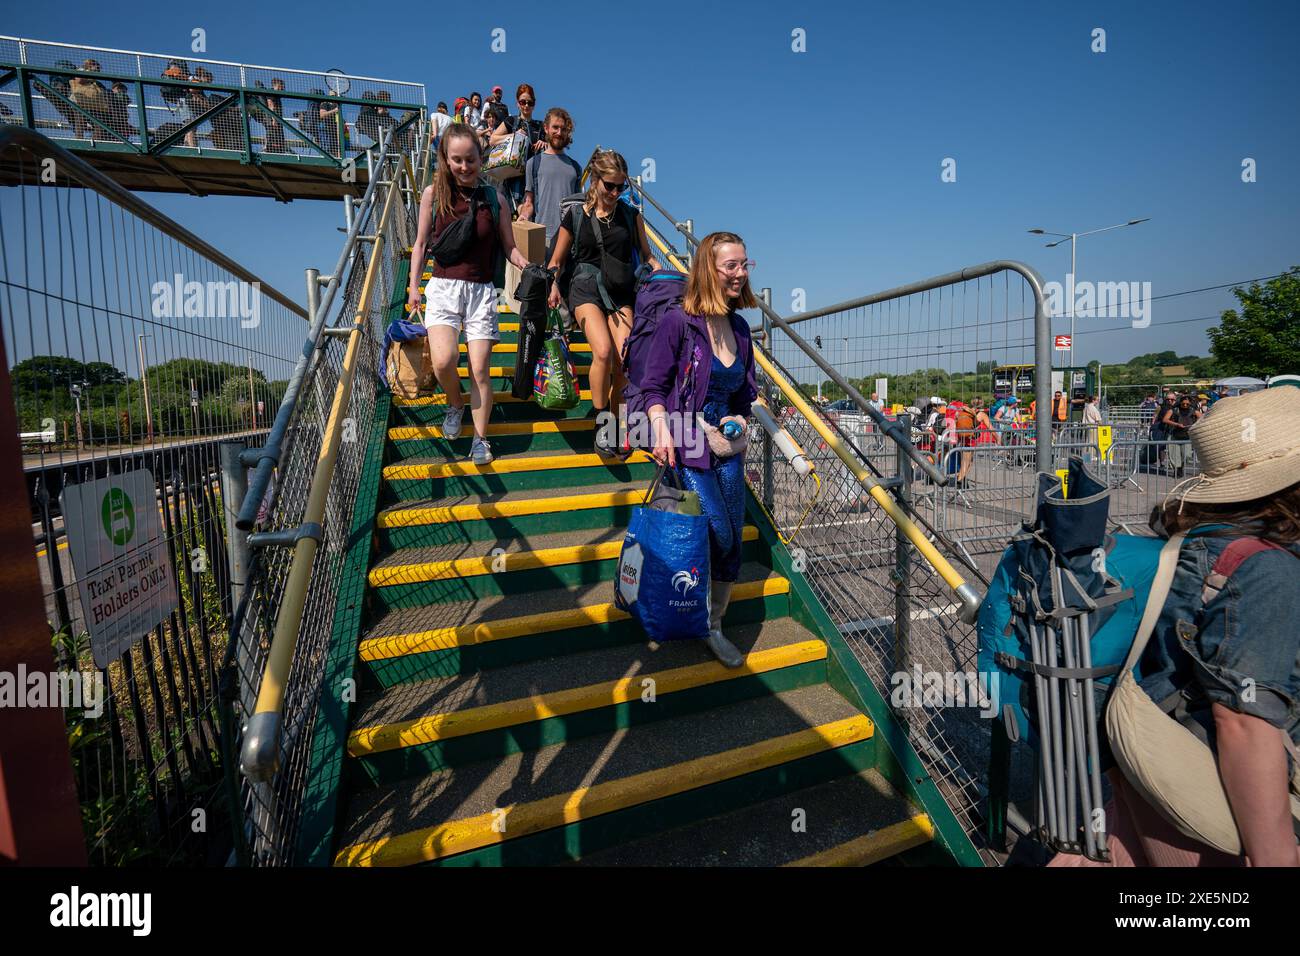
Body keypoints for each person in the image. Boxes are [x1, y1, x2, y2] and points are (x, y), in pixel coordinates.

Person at [1051, 388, 1300, 867]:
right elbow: (1245, 720)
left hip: (1154, 752)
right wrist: (1275, 855)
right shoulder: (1268, 568)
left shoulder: (1196, 540)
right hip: (1213, 786)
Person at [641, 232, 759, 668]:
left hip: (728, 446)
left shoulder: (741, 329)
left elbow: (745, 396)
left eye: (746, 264)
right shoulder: (679, 321)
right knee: (718, 532)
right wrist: (660, 429)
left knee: (732, 543)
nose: (740, 273)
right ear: (709, 269)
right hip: (687, 439)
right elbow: (652, 386)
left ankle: (712, 624)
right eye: (732, 265)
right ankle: (684, 605)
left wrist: (741, 418)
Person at [406, 124, 531, 466]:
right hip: (444, 288)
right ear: (446, 160)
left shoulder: (496, 198)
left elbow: (509, 248)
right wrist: (415, 286)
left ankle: (480, 438)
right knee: (445, 361)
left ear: (481, 157)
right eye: (457, 160)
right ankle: (456, 403)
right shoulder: (433, 194)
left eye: (471, 159)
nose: (464, 167)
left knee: (479, 370)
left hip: (480, 292)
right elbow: (419, 244)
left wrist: (529, 265)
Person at [546, 150, 661, 455]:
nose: (614, 193)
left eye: (621, 187)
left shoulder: (630, 215)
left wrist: (663, 276)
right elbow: (556, 260)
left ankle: (617, 425)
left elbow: (648, 255)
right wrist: (554, 284)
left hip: (621, 291)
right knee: (604, 350)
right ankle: (600, 424)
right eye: (609, 185)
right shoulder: (575, 216)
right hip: (584, 289)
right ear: (594, 180)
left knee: (626, 359)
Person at [519, 108, 582, 261]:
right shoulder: (533, 163)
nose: (559, 132)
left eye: (563, 129)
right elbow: (529, 201)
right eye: (555, 127)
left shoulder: (575, 168)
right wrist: (524, 216)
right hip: (542, 238)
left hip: (568, 240)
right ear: (546, 128)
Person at [491, 84, 546, 209]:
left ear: (534, 104)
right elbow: (493, 139)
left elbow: (552, 149)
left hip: (534, 176)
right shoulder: (511, 121)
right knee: (512, 213)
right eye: (523, 102)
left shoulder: (541, 126)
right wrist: (513, 136)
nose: (526, 105)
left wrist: (545, 144)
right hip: (513, 176)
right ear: (517, 103)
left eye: (529, 103)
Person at [1161, 394, 1200, 476]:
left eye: (1187, 404)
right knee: (1174, 454)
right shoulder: (1173, 410)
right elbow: (1165, 419)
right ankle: (1177, 470)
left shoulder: (1194, 411)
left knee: (1187, 455)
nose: (1185, 405)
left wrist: (1195, 425)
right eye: (1183, 404)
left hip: (1187, 436)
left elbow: (1202, 419)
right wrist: (1176, 424)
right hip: (1174, 435)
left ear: (1190, 404)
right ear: (1180, 402)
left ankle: (1181, 467)